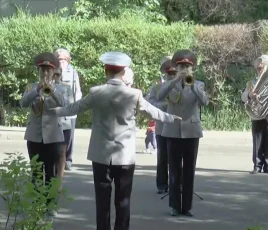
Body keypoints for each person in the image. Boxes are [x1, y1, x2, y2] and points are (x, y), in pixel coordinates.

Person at [48, 51, 182, 230]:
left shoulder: (96, 92)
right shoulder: (134, 94)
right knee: (123, 201)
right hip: (124, 155)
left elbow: (74, 108)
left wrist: (54, 111)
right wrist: (171, 117)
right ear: (123, 72)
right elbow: (152, 111)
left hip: (100, 154)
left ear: (106, 70)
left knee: (102, 202)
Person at [156, 49, 209, 217]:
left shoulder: (198, 84)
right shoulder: (169, 83)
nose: (184, 69)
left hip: (192, 131)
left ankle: (186, 206)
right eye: (181, 66)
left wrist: (193, 87)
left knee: (189, 171)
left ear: (192, 68)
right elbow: (159, 96)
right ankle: (174, 206)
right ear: (176, 68)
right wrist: (174, 81)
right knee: (174, 170)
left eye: (187, 66)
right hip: (172, 130)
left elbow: (204, 102)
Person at [19, 52, 67, 218]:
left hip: (53, 136)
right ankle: (36, 202)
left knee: (51, 172)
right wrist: (36, 90)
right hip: (34, 136)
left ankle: (50, 204)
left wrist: (52, 90)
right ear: (38, 71)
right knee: (36, 172)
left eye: (48, 70)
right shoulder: (31, 87)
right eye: (42, 70)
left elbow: (65, 104)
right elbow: (23, 103)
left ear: (54, 72)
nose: (45, 73)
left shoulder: (61, 88)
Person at [147, 56, 176, 194]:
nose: (171, 75)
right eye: (169, 73)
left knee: (176, 158)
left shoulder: (182, 86)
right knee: (163, 157)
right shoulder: (157, 87)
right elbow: (149, 103)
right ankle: (162, 184)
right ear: (165, 73)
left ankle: (176, 184)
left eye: (174, 73)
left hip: (177, 128)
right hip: (162, 127)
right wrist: (164, 105)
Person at [241, 56, 268, 175]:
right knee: (257, 141)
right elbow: (243, 97)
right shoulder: (251, 83)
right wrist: (250, 95)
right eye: (259, 68)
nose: (260, 70)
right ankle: (257, 165)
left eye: (262, 68)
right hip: (257, 114)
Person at [55, 48, 82, 171]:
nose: (61, 61)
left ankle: (68, 160)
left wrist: (76, 106)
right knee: (56, 135)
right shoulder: (53, 71)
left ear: (68, 59)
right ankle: (57, 159)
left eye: (64, 59)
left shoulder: (73, 72)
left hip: (70, 109)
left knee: (69, 137)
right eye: (59, 58)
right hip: (56, 109)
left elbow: (77, 90)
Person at [53, 67, 74, 189]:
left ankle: (59, 183)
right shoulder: (45, 86)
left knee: (62, 153)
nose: (56, 76)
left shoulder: (67, 87)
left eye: (58, 74)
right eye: (54, 74)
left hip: (64, 123)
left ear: (61, 74)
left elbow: (70, 104)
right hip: (51, 124)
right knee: (51, 153)